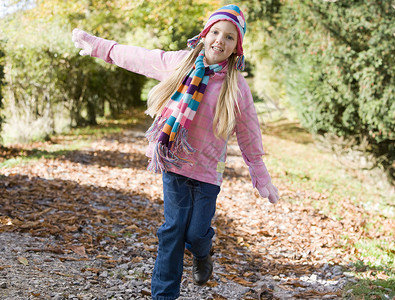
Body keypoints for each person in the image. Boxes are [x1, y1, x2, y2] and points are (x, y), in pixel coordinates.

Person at [72, 4, 279, 300]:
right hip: (175, 162)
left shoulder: (236, 87)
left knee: (195, 234)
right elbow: (140, 57)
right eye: (216, 32)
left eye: (230, 37)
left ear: (237, 48)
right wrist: (99, 46)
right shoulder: (180, 64)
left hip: (208, 171)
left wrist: (261, 176)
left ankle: (202, 251)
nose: (220, 40)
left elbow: (249, 133)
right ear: (205, 34)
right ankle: (164, 295)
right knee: (172, 230)